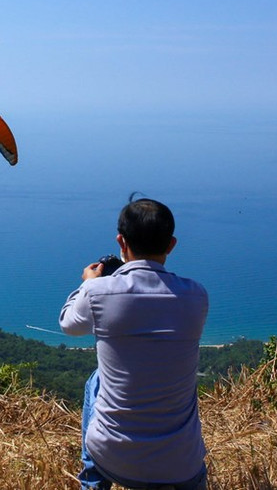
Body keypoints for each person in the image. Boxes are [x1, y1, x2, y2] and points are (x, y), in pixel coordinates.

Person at [59, 198, 209, 489]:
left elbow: (69, 325)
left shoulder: (98, 292)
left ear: (121, 241)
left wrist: (87, 284)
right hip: (181, 463)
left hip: (112, 457)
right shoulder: (196, 296)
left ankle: (92, 481)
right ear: (171, 245)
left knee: (97, 379)